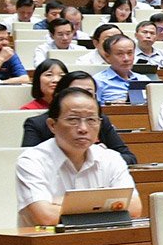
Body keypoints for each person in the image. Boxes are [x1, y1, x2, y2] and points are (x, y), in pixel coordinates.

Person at [16, 85, 140, 225]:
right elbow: (46, 217)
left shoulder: (111, 158)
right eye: (73, 120)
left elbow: (134, 208)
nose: (83, 129)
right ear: (52, 125)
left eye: (91, 120)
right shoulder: (32, 161)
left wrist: (61, 203)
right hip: (50, 244)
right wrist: (106, 204)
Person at [92, 34, 151, 105]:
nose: (126, 59)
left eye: (130, 53)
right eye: (120, 54)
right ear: (107, 57)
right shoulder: (98, 81)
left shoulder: (143, 79)